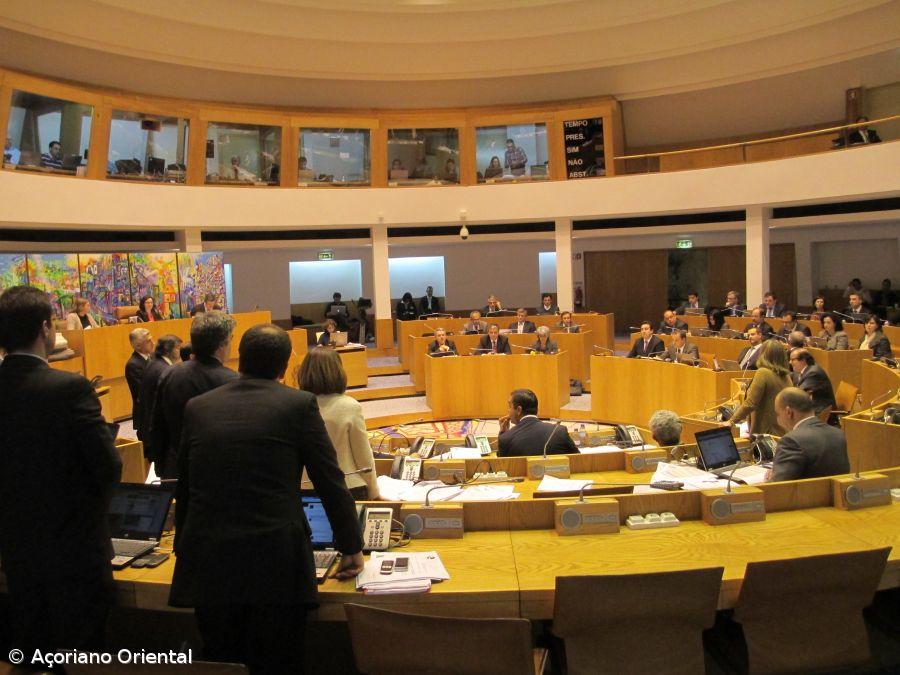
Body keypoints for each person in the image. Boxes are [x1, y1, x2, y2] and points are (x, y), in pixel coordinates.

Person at [169, 325, 364, 673]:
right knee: (277, 661)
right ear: (286, 365)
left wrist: (183, 548)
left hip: (210, 563)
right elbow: (330, 482)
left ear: (240, 359)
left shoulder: (199, 407)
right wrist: (351, 546)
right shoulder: (298, 404)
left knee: (222, 659)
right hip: (275, 564)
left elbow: (186, 485)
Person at [0, 285, 121, 658]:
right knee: (82, 657)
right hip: (76, 553)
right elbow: (108, 465)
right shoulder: (69, 387)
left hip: (16, 553)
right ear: (46, 327)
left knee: (33, 654)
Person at [150, 311, 238, 479]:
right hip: (216, 473)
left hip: (175, 468)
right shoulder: (232, 382)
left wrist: (161, 468)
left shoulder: (170, 373)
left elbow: (157, 426)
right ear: (222, 344)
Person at [297, 347, 380, 500]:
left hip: (304, 489)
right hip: (347, 488)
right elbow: (363, 457)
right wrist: (374, 492)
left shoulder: (294, 405)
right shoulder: (350, 406)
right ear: (338, 371)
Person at [770, 388, 850, 481]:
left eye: (777, 414)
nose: (777, 420)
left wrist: (772, 477)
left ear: (789, 412)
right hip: (835, 494)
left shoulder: (791, 441)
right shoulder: (838, 434)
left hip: (806, 495)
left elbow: (777, 487)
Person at [729, 340, 792, 435]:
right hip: (781, 430)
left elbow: (751, 403)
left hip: (765, 432)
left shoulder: (763, 372)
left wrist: (731, 421)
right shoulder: (787, 377)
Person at [136, 334, 183, 464]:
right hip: (157, 429)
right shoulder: (164, 370)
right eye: (178, 348)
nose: (180, 351)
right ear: (168, 351)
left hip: (148, 425)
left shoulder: (154, 364)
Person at [497, 388, 577, 457]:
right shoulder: (559, 431)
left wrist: (503, 433)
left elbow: (503, 466)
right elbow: (578, 458)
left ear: (518, 410)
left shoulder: (506, 438)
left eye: (509, 406)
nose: (508, 410)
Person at [789, 348, 836, 414]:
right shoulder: (807, 369)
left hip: (822, 414)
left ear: (803, 360)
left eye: (792, 360)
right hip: (814, 409)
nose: (790, 362)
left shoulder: (813, 373)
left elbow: (800, 394)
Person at [125, 327, 154, 428]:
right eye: (148, 341)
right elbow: (143, 391)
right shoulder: (133, 365)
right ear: (138, 346)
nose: (153, 343)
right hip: (145, 415)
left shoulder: (153, 357)